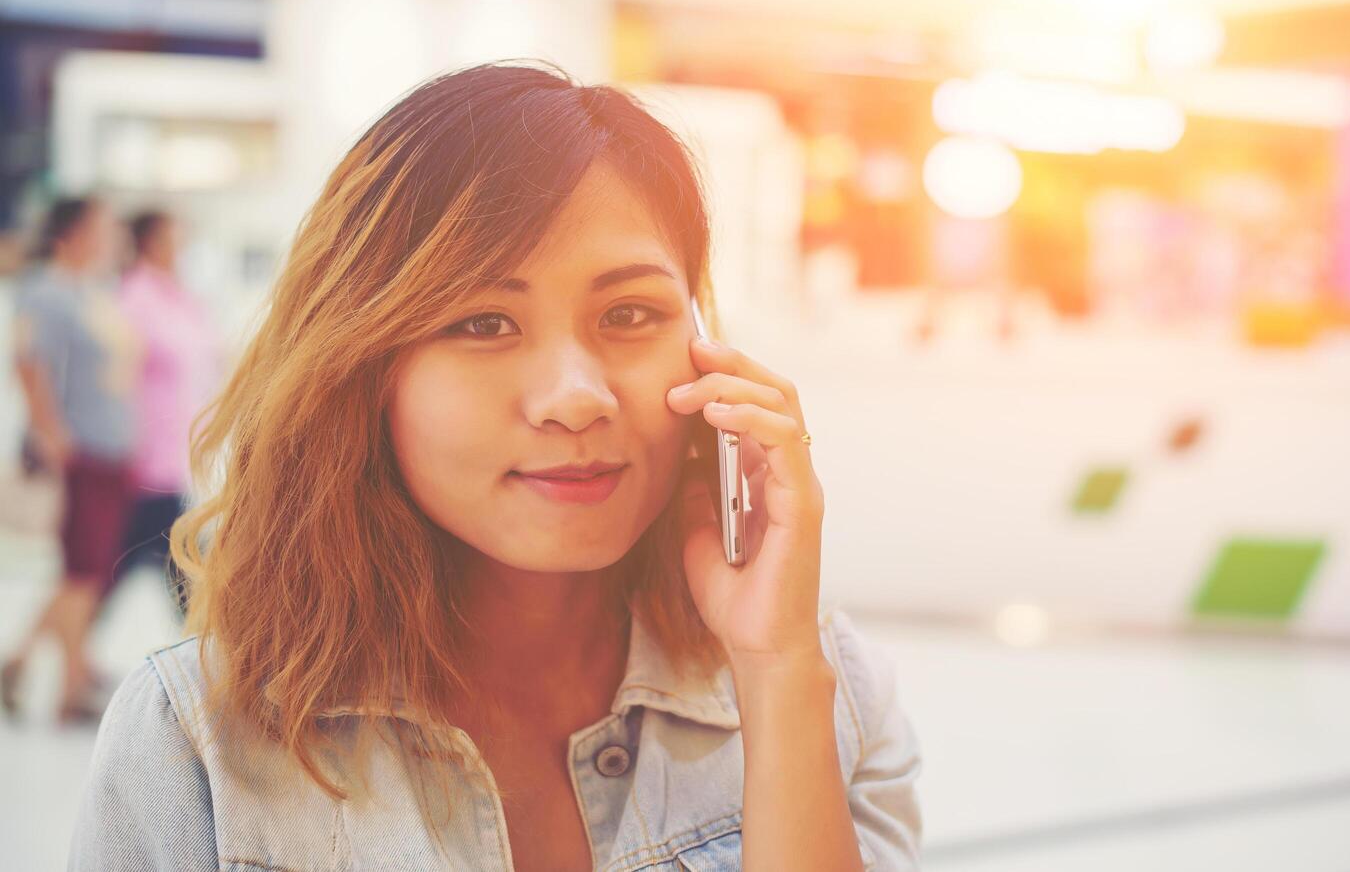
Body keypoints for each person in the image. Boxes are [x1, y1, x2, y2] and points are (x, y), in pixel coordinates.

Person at [71, 64, 923, 870]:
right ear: (365, 370)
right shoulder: (198, 741)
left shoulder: (825, 687)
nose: (575, 398)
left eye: (629, 313)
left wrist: (774, 675)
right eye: (483, 323)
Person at [2, 196, 139, 725]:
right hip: (81, 451)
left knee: (87, 572)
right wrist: (51, 433)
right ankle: (52, 675)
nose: (109, 237)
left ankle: (62, 679)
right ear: (72, 233)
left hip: (111, 449)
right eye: (101, 226)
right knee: (81, 571)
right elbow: (29, 364)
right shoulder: (46, 292)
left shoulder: (93, 293)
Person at [112, 208, 223, 614]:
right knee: (182, 559)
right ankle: (211, 649)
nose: (184, 246)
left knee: (117, 568)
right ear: (152, 242)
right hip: (148, 455)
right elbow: (118, 374)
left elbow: (212, 358)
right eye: (177, 236)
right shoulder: (135, 297)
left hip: (180, 454)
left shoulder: (180, 296)